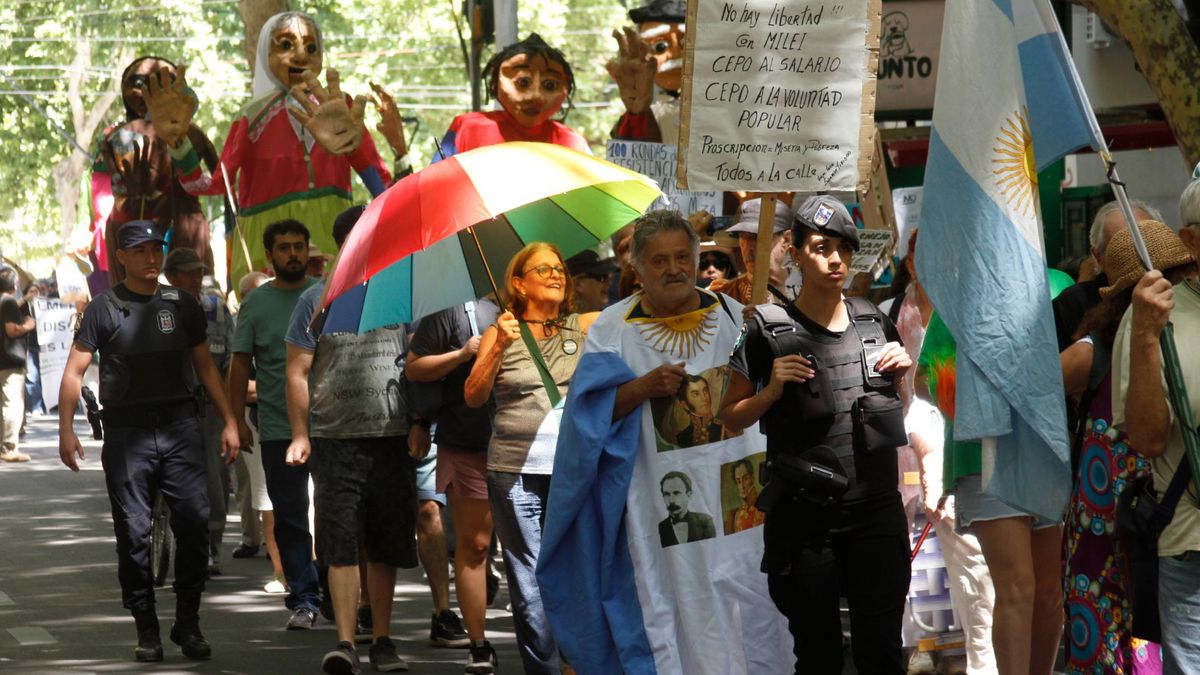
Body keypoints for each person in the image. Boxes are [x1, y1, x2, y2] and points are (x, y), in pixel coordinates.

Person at [538, 210, 793, 674]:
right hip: (660, 522)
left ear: (697, 260)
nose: (673, 268)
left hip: (746, 516)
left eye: (682, 256)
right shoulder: (612, 330)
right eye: (659, 260)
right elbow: (585, 420)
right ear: (636, 267)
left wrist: (767, 334)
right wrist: (641, 389)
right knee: (675, 619)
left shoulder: (737, 317)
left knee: (760, 616)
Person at [720, 196, 913, 674]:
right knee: (818, 654)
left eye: (844, 250)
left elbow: (897, 412)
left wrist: (904, 374)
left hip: (875, 513)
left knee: (882, 652)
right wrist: (771, 392)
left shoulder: (874, 321)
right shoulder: (768, 330)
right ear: (796, 250)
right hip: (806, 522)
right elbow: (729, 417)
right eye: (822, 248)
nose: (835, 260)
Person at [57, 220, 241, 662]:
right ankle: (147, 628)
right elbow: (73, 371)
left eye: (155, 248)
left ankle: (188, 622)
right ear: (121, 256)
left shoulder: (182, 304)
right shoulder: (103, 308)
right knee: (134, 535)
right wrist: (66, 430)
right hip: (127, 434)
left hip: (180, 429)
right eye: (139, 250)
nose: (150, 257)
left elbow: (206, 370)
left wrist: (230, 420)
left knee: (195, 524)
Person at [144, 11, 397, 288]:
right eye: (286, 45)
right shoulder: (252, 117)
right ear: (266, 52)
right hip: (266, 257)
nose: (301, 56)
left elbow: (381, 186)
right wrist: (179, 144)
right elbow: (211, 184)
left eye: (312, 47)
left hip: (336, 252)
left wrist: (398, 151)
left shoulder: (340, 108)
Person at [284, 207, 417, 674]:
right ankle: (345, 641)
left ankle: (383, 638)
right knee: (340, 543)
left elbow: (416, 363)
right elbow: (297, 371)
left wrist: (419, 423)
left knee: (385, 543)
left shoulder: (404, 298)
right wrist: (301, 433)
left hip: (392, 436)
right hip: (335, 438)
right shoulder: (316, 301)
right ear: (344, 244)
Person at [463, 242, 598, 674]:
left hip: (574, 472)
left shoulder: (585, 327)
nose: (557, 275)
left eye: (559, 268)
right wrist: (499, 345)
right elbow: (473, 396)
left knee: (579, 572)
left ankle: (576, 664)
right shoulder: (499, 332)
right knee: (530, 582)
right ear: (519, 284)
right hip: (514, 473)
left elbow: (641, 317)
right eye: (544, 269)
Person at [1060, 221, 1189, 672]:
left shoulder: (1185, 337)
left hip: (1154, 512)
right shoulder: (1092, 351)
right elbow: (1038, 395)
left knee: (1150, 622)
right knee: (1110, 622)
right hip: (1107, 516)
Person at [1110, 221, 1200, 673]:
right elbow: (1146, 438)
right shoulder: (1147, 321)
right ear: (1191, 239)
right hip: (1191, 546)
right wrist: (1146, 335)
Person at [227, 219, 322, 630]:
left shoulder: (326, 296)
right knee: (290, 516)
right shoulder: (256, 304)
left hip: (331, 427)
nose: (293, 254)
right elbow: (238, 365)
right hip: (278, 429)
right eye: (284, 248)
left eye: (299, 246)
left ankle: (340, 594)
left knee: (335, 516)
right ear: (270, 257)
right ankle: (303, 598)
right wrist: (235, 420)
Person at [407, 300, 501, 671]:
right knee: (474, 545)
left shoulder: (522, 303)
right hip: (466, 442)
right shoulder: (448, 309)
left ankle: (549, 642)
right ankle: (478, 645)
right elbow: (414, 368)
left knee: (531, 547)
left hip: (529, 442)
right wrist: (464, 353)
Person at [94, 56, 220, 285]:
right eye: (140, 82)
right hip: (134, 224)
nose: (147, 91)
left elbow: (219, 179)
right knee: (133, 298)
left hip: (181, 224)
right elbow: (106, 187)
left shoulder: (190, 132)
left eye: (161, 81)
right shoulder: (116, 135)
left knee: (188, 294)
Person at [163, 248, 235, 575]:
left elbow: (231, 360)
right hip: (168, 407)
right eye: (188, 272)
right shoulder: (156, 307)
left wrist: (231, 414)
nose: (195, 278)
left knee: (215, 478)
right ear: (171, 276)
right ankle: (170, 539)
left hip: (209, 406)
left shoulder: (217, 309)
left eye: (198, 271)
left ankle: (211, 546)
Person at [438, 33, 589, 157]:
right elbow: (437, 184)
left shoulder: (572, 144)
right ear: (494, 83)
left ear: (567, 87)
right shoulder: (468, 129)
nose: (535, 96)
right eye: (522, 82)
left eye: (550, 85)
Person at [1052, 200, 1161, 351]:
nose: (1136, 257)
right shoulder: (1074, 304)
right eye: (1122, 250)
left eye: (1146, 245)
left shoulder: (1178, 291)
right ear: (1098, 257)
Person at [608, 0, 687, 143]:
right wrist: (637, 110)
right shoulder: (638, 118)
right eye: (659, 47)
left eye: (686, 43)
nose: (675, 54)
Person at [709, 198, 796, 307]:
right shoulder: (723, 297)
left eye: (756, 237)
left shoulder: (812, 290)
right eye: (742, 236)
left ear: (787, 240)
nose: (748, 247)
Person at [1, 268, 36, 462]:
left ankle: (5, 445)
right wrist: (27, 326)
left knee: (4, 404)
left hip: (4, 361)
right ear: (14, 286)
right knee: (12, 404)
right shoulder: (8, 303)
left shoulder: (5, 303)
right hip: (11, 360)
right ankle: (9, 447)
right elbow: (12, 330)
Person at [657, 471, 715, 546]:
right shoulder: (662, 527)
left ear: (689, 495)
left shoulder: (705, 521)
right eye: (667, 494)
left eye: (676, 493)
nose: (671, 500)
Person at [673, 374, 721, 447]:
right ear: (685, 405)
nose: (704, 398)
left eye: (705, 391)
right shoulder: (681, 438)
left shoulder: (724, 427)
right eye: (696, 394)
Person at [725, 459, 765, 534]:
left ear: (752, 478)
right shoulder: (734, 515)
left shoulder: (765, 505)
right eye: (738, 481)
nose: (742, 486)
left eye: (746, 479)